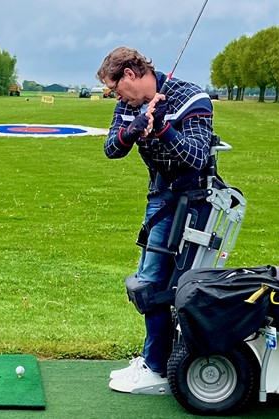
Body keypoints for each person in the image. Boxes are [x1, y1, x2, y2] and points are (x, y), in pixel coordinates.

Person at [97, 46, 214, 394]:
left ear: (130, 75)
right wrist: (131, 130)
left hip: (194, 198)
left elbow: (197, 156)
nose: (117, 97)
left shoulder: (192, 97)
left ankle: (159, 366)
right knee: (150, 284)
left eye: (117, 89)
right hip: (160, 196)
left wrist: (163, 127)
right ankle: (155, 360)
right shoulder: (129, 106)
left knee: (167, 284)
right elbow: (111, 149)